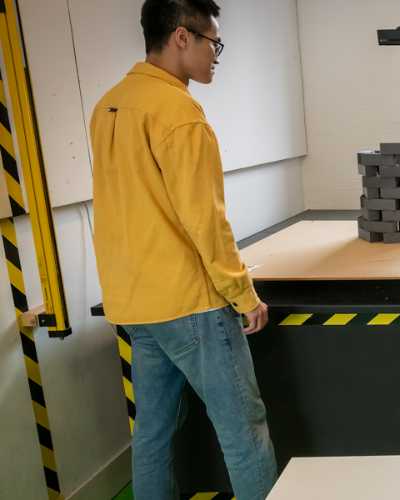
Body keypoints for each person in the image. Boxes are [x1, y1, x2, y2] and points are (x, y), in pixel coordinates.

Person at [90, 1, 276, 498]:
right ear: (180, 37)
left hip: (135, 304)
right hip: (191, 305)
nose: (216, 55)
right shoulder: (179, 113)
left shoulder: (110, 104)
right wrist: (243, 293)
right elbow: (206, 220)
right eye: (212, 42)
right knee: (244, 433)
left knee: (151, 438)